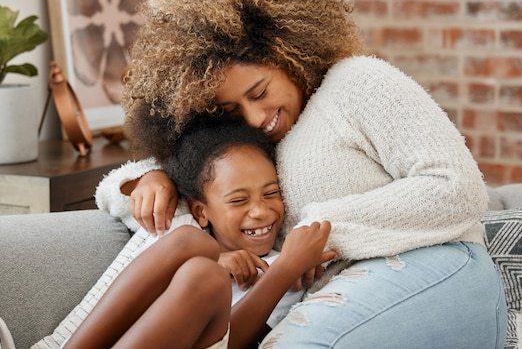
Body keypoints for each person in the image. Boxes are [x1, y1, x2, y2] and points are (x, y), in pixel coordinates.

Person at [95, 0, 508, 348]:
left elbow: (458, 187)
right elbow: (191, 178)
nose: (255, 118)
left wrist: (318, 229)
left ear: (286, 55)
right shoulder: (253, 136)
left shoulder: (358, 83)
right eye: (233, 110)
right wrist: (154, 177)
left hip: (437, 266)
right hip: (325, 295)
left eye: (259, 92)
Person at [68, 117, 337, 349]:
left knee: (205, 275)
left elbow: (235, 342)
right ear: (201, 211)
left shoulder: (282, 266)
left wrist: (286, 268)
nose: (259, 211)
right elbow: (111, 195)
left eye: (271, 193)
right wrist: (152, 176)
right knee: (191, 242)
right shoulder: (179, 225)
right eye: (238, 200)